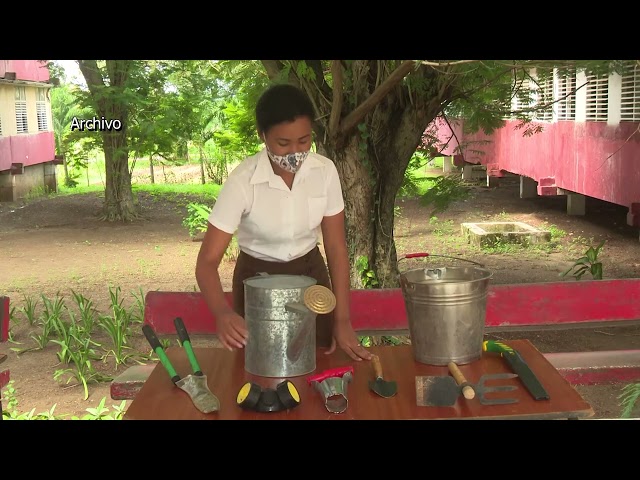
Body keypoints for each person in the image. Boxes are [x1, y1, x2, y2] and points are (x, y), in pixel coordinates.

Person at [195, 83, 372, 362]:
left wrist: (342, 319)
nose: (294, 153)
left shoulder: (324, 172)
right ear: (262, 136)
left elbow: (336, 248)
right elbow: (206, 262)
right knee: (260, 370)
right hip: (256, 282)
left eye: (304, 141)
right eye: (283, 143)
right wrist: (222, 313)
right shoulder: (243, 181)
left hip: (311, 277)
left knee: (317, 363)